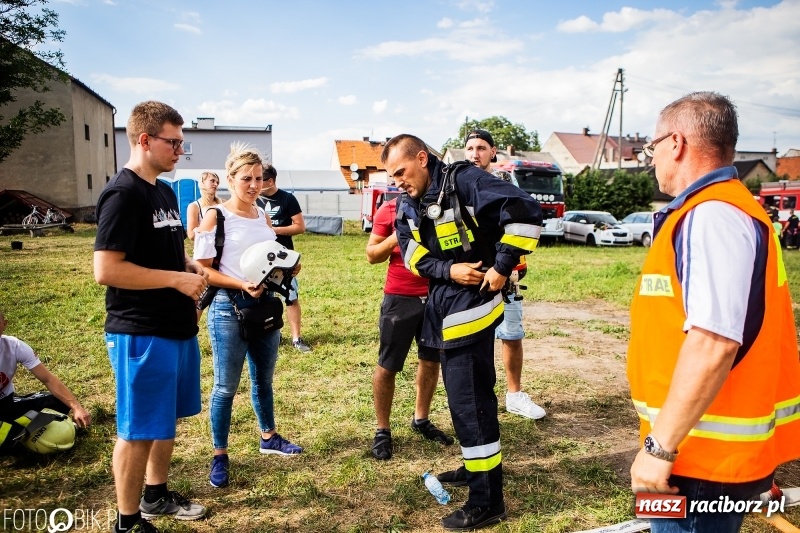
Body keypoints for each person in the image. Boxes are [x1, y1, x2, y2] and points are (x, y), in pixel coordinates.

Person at [627, 91, 800, 533]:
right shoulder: (719, 210)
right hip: (695, 446)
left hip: (697, 461)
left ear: (677, 143)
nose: (651, 160)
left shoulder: (712, 216)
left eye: (652, 148)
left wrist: (658, 450)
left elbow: (713, 342)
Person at [384, 134, 542, 531]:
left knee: (470, 402)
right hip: (442, 304)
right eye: (392, 176)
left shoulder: (466, 180)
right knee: (465, 401)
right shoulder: (409, 202)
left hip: (471, 307)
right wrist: (447, 270)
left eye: (402, 172)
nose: (398, 181)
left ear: (422, 158)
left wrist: (502, 265)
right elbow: (414, 253)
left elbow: (524, 211)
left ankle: (487, 501)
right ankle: (478, 470)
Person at [94, 101, 208, 533]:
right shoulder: (123, 194)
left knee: (163, 419)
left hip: (175, 328)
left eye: (182, 142)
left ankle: (155, 493)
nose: (181, 151)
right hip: (140, 331)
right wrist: (176, 281)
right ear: (145, 140)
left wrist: (186, 266)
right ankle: (127, 520)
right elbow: (106, 269)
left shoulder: (162, 189)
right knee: (138, 427)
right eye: (173, 142)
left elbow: (163, 247)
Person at [194, 144, 303, 490]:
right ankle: (220, 455)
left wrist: (288, 266)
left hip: (264, 306)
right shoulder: (216, 216)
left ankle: (268, 437)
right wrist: (241, 283)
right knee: (225, 387)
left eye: (258, 178)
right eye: (246, 179)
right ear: (229, 179)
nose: (254, 185)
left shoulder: (262, 215)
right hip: (229, 308)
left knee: (264, 381)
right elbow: (201, 270)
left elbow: (269, 256)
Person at [463, 129, 546, 421]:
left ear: (493, 152)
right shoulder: (455, 185)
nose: (476, 153)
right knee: (473, 338)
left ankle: (514, 395)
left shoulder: (505, 183)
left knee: (511, 334)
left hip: (504, 272)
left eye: (482, 148)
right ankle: (477, 399)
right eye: (471, 148)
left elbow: (523, 220)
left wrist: (505, 265)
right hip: (470, 273)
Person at [366, 196, 454, 461]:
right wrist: (399, 234)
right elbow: (372, 255)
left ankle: (421, 419)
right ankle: (382, 430)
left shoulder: (443, 206)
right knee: (388, 365)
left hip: (437, 296)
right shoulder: (390, 208)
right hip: (400, 298)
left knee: (430, 360)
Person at [0, 309, 91, 453]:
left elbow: (48, 379)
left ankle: (16, 431)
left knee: (58, 402)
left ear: (4, 324)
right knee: (10, 437)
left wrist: (76, 407)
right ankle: (16, 434)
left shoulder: (14, 346)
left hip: (7, 402)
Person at [256, 166, 311, 352]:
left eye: (259, 180)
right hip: (260, 259)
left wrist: (274, 230)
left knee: (291, 297)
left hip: (285, 257)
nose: (255, 184)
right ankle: (271, 334)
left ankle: (296, 338)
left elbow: (300, 227)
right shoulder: (254, 200)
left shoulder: (288, 199)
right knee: (262, 297)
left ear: (270, 181)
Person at [186, 171, 222, 240]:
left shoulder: (222, 203)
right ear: (202, 182)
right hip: (206, 248)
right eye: (212, 181)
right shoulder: (194, 206)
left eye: (217, 182)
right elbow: (191, 235)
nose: (215, 184)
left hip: (223, 247)